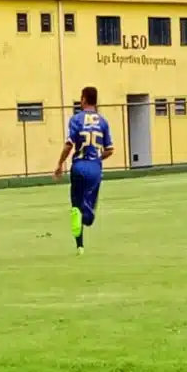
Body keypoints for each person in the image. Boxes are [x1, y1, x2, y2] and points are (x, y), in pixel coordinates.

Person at [54, 86, 114, 255]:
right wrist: (97, 158)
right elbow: (110, 149)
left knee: (76, 206)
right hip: (94, 169)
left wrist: (59, 164)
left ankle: (79, 246)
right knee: (89, 207)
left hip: (78, 166)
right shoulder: (103, 121)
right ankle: (88, 216)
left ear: (84, 99)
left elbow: (69, 144)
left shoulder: (76, 119)